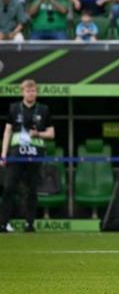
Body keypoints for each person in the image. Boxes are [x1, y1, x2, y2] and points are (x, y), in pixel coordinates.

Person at [0, 79, 54, 233]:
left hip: (35, 155)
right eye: (28, 91)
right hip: (16, 155)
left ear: (36, 92)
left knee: (32, 190)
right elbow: (7, 131)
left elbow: (51, 133)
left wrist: (38, 133)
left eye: (33, 91)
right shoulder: (14, 108)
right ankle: (3, 224)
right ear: (22, 92)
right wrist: (3, 154)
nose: (31, 93)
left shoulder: (43, 109)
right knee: (9, 188)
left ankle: (29, 224)